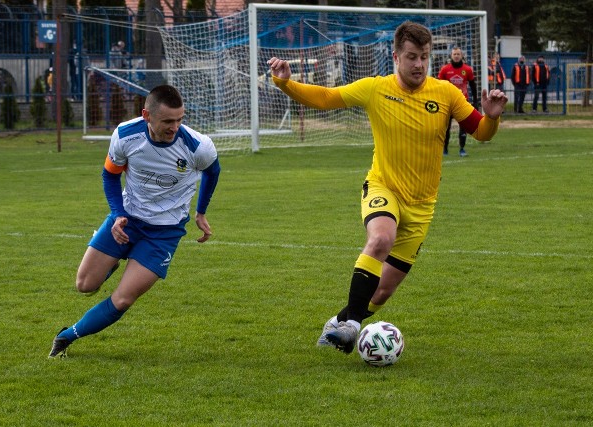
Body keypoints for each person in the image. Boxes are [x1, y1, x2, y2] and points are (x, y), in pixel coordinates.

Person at [267, 21, 507, 354]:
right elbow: (325, 98)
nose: (419, 64)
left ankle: (338, 323)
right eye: (411, 57)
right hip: (384, 189)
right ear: (395, 56)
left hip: (422, 207)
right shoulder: (375, 88)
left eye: (423, 56)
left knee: (381, 293)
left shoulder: (447, 94)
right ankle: (352, 327)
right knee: (381, 238)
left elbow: (481, 133)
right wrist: (284, 82)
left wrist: (492, 117)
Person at [48, 84, 221, 358]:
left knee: (124, 298)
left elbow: (213, 171)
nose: (174, 127)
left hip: (164, 233)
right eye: (167, 121)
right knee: (84, 286)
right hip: (127, 221)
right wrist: (117, 214)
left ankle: (66, 336)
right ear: (146, 116)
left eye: (179, 119)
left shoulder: (197, 146)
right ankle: (114, 261)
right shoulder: (126, 135)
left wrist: (200, 211)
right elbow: (110, 174)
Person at [437, 46, 478, 157]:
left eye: (458, 54)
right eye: (454, 54)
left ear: (461, 56)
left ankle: (462, 149)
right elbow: (439, 86)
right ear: (451, 55)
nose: (456, 56)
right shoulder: (445, 69)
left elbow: (473, 86)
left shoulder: (467, 69)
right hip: (448, 103)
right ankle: (445, 149)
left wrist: (475, 101)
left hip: (462, 103)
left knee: (463, 128)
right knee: (446, 128)